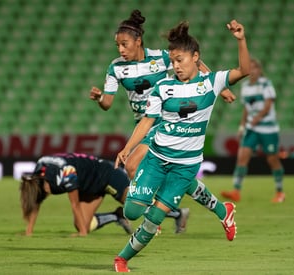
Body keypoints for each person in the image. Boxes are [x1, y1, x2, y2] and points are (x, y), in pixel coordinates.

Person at [113, 19, 250, 272]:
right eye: (173, 61)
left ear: (196, 57)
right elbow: (147, 121)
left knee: (154, 218)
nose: (175, 66)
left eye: (180, 60)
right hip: (157, 157)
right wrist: (127, 148)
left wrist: (241, 40)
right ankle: (222, 209)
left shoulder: (211, 82)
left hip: (185, 166)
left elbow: (244, 70)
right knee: (131, 211)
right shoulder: (163, 87)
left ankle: (121, 259)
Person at [89, 9, 235, 230]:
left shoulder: (162, 57)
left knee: (132, 165)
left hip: (165, 121)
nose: (120, 49)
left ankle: (151, 220)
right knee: (175, 176)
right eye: (118, 45)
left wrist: (219, 87)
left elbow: (193, 62)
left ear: (138, 41)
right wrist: (100, 97)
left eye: (125, 44)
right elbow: (107, 104)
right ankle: (211, 209)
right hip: (144, 123)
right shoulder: (116, 67)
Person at [19, 152, 189, 237]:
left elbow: (75, 204)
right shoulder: (38, 173)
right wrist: (29, 231)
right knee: (80, 225)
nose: (47, 193)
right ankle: (117, 216)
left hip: (107, 175)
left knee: (136, 205)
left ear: (45, 182)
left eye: (46, 191)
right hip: (91, 187)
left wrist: (83, 235)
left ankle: (178, 213)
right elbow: (35, 201)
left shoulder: (65, 173)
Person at [221, 58, 285, 203]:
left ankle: (280, 191)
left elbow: (268, 104)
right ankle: (236, 191)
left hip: (268, 128)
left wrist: (258, 117)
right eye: (250, 68)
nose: (253, 71)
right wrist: (242, 126)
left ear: (259, 70)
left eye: (255, 68)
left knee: (272, 159)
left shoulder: (266, 84)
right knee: (242, 157)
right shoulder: (245, 86)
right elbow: (246, 109)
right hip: (252, 128)